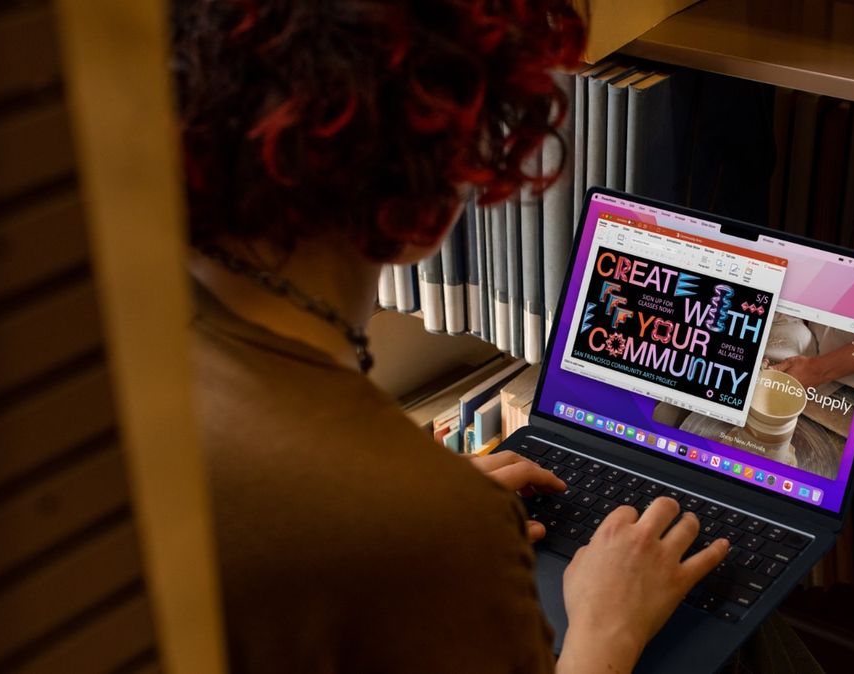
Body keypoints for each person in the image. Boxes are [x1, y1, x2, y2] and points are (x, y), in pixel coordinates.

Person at [173, 1, 731, 672]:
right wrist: (608, 629)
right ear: (430, 204)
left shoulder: (119, 350)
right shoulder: (437, 523)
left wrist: (407, 509)